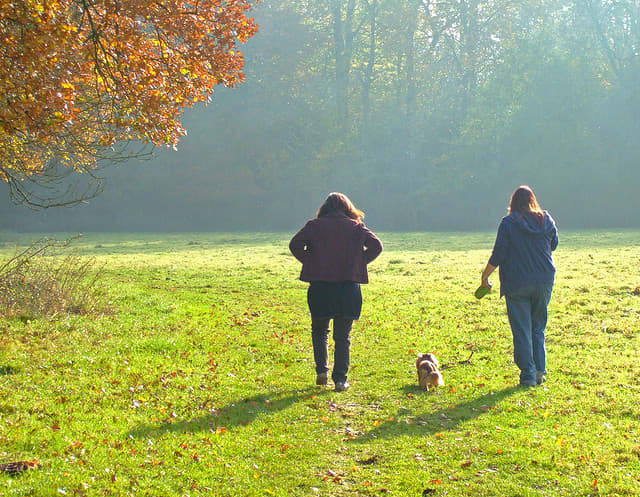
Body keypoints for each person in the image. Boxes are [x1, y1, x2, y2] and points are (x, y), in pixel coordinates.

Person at [289, 193, 383, 392]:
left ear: (325, 208)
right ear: (348, 208)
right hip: (347, 288)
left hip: (320, 287)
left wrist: (311, 262)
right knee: (342, 337)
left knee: (320, 331)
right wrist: (358, 263)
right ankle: (340, 380)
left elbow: (294, 245)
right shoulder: (356, 227)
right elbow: (376, 246)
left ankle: (322, 371)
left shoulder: (314, 226)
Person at [481, 185, 558, 387]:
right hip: (544, 280)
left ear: (513, 202)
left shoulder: (508, 223)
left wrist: (485, 276)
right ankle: (540, 371)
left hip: (517, 283)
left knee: (522, 329)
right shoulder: (546, 219)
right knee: (538, 328)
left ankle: (528, 376)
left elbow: (499, 254)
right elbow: (553, 244)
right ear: (533, 200)